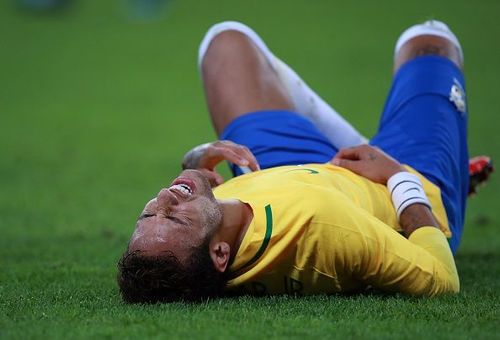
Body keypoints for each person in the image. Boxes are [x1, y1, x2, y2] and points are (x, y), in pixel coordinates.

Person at [117, 20, 473, 303]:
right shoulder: (323, 225)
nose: (163, 198)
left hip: (273, 171)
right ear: (220, 253)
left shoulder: (213, 239)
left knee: (226, 42)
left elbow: (190, 235)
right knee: (428, 39)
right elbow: (442, 279)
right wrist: (398, 177)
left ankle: (365, 147)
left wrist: (197, 163)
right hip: (395, 187)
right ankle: (435, 169)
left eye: (147, 214)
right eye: (175, 217)